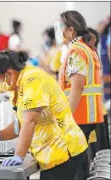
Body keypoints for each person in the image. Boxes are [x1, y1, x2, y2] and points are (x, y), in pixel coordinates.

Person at [0, 50, 87, 180]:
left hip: (64, 150)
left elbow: (30, 121)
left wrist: (19, 154)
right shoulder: (17, 86)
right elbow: (20, 124)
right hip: (52, 155)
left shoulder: (32, 79)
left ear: (9, 74)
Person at [56, 10, 104, 180]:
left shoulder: (77, 51)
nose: (58, 30)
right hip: (87, 116)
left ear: (71, 30)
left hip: (79, 117)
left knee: (73, 170)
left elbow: (77, 87)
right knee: (80, 166)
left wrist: (65, 119)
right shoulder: (87, 49)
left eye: (60, 26)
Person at [98, 16, 111, 101]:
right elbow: (98, 31)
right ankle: (107, 98)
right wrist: (106, 21)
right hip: (105, 55)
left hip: (107, 53)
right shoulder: (105, 24)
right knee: (106, 76)